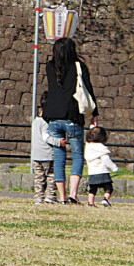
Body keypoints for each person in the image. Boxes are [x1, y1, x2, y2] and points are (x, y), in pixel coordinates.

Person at [41, 37, 98, 204]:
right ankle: (73, 194)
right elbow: (88, 89)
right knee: (78, 155)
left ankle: (62, 196)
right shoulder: (78, 66)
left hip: (53, 116)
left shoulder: (50, 66)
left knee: (59, 157)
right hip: (72, 114)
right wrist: (94, 113)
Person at [31, 92, 64, 204]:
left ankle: (38, 198)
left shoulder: (36, 121)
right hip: (47, 154)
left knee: (39, 178)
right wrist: (58, 142)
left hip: (36, 154)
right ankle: (50, 196)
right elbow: (46, 137)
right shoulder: (46, 122)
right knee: (51, 176)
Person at [84, 126, 117, 207]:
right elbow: (106, 160)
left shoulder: (88, 147)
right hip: (103, 172)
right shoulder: (102, 149)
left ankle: (90, 203)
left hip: (92, 173)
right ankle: (105, 199)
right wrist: (114, 167)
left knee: (92, 189)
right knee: (108, 188)